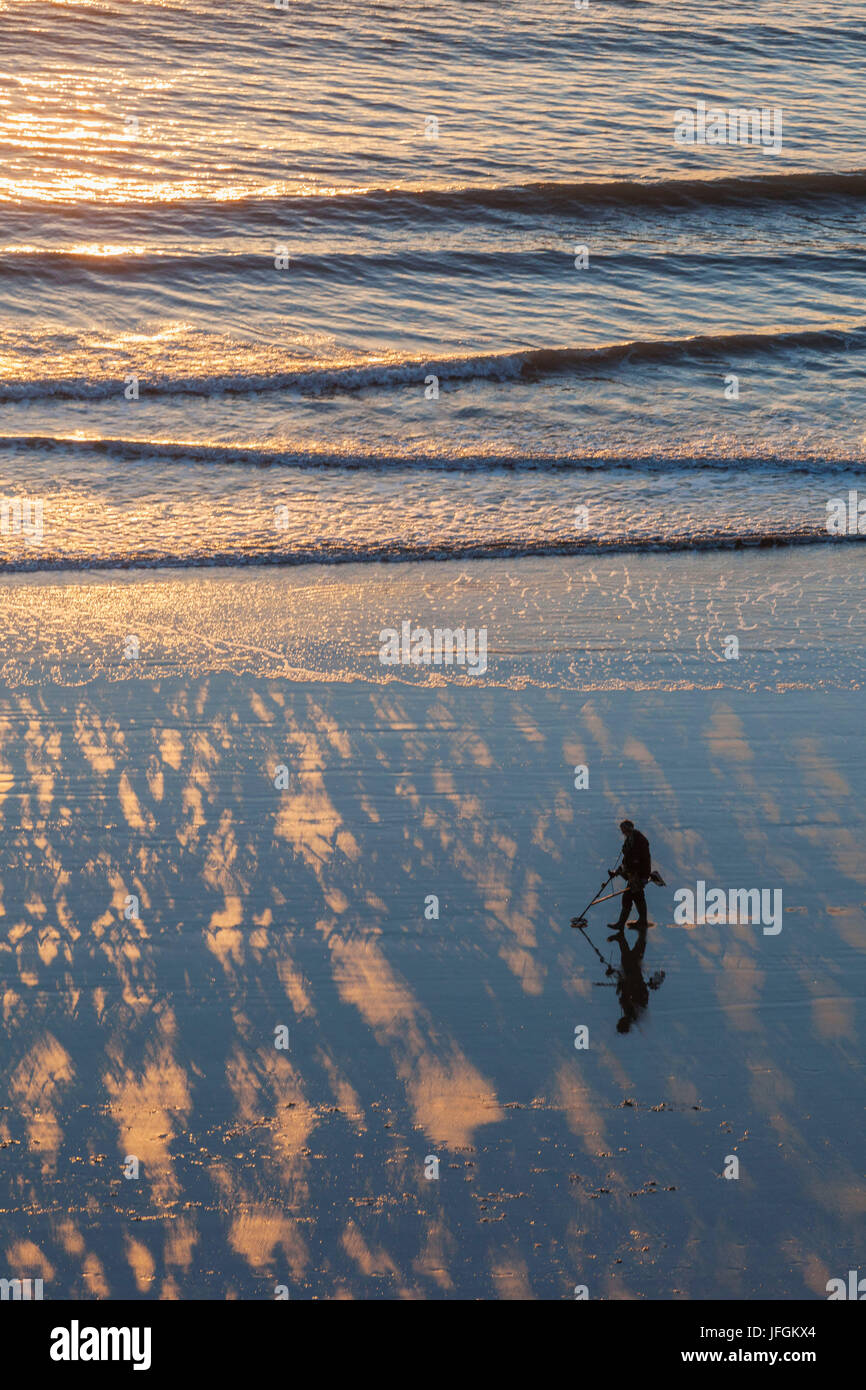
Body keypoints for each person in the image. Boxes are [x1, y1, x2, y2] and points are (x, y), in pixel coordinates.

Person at [608, 819, 652, 929]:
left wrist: (644, 877)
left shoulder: (640, 841)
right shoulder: (630, 839)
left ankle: (621, 924)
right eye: (622, 830)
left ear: (629, 829)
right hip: (633, 875)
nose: (622, 833)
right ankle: (642, 922)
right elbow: (626, 860)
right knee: (638, 898)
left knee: (629, 898)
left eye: (623, 830)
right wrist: (617, 871)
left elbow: (645, 860)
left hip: (638, 875)